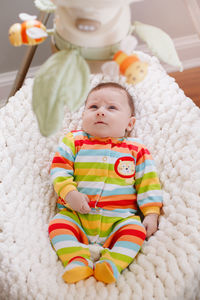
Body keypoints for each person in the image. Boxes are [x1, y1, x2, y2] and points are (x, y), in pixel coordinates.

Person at [48, 82, 163, 284]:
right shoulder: (74, 141)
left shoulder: (136, 149)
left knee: (135, 232)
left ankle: (112, 264)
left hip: (120, 219)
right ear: (83, 115)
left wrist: (151, 213)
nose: (101, 112)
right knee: (57, 225)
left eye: (111, 108)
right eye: (93, 107)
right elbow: (59, 170)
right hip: (76, 214)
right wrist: (69, 193)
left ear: (129, 123)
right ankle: (76, 259)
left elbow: (148, 182)